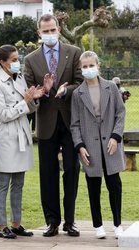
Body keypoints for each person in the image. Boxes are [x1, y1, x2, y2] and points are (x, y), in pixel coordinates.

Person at [24, 14, 83, 237]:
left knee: (71, 170)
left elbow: (80, 83)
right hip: (46, 122)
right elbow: (30, 92)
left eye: (52, 30)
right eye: (45, 31)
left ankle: (70, 221)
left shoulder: (74, 52)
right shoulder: (30, 59)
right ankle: (52, 221)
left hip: (70, 121)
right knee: (47, 174)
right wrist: (44, 90)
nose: (50, 34)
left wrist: (65, 90)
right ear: (39, 33)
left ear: (58, 29)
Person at [0, 44, 45, 239]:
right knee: (3, 183)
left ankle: (16, 224)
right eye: (13, 60)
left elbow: (27, 107)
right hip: (7, 138)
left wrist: (34, 98)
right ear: (2, 63)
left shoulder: (19, 78)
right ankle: (1, 225)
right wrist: (24, 102)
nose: (16, 63)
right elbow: (4, 115)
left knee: (19, 182)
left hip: (22, 135)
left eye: (17, 59)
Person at [70, 51, 126, 239]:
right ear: (81, 69)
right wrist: (80, 146)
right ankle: (98, 225)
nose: (88, 69)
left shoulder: (111, 87)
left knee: (114, 185)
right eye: (84, 67)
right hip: (89, 146)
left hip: (111, 144)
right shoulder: (78, 94)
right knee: (93, 186)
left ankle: (118, 224)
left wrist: (116, 136)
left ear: (98, 65)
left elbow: (120, 113)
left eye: (91, 65)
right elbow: (75, 124)